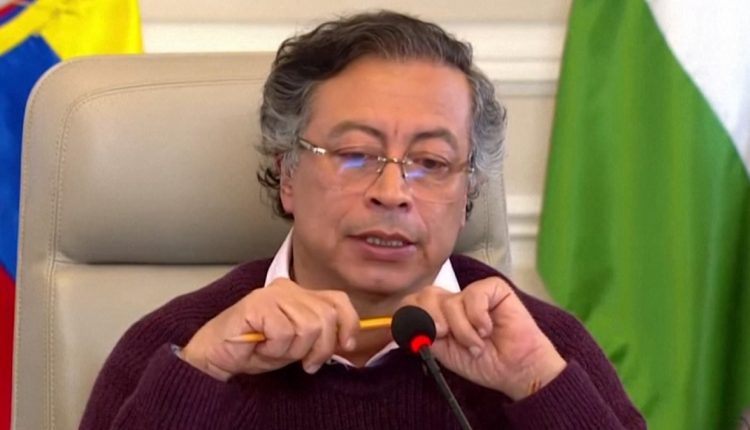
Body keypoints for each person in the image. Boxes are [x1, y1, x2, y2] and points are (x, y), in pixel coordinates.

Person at [80, 10, 645, 429]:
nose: (393, 193)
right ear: (288, 173)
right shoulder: (184, 346)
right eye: (355, 155)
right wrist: (203, 374)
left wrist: (535, 384)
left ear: (468, 191)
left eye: (431, 163)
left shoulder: (544, 347)